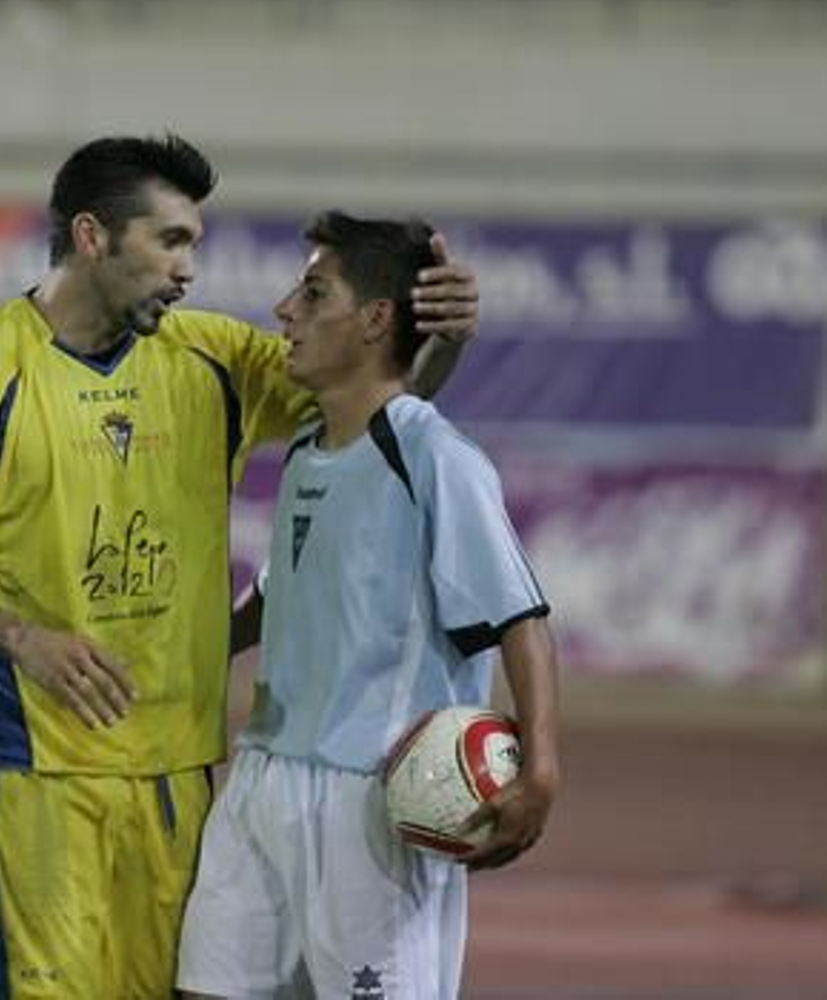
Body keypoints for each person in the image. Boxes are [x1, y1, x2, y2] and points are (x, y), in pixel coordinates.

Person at [0, 135, 479, 998]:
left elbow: (377, 403)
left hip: (179, 777)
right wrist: (19, 637)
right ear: (94, 236)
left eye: (195, 246)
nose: (189, 269)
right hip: (35, 776)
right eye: (171, 241)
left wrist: (445, 335)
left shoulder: (213, 360)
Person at [175, 214, 560, 1000]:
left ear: (377, 318)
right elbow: (285, 593)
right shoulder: (308, 451)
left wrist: (542, 770)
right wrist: (177, 650)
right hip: (261, 779)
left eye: (314, 292)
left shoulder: (433, 456)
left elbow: (520, 616)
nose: (286, 309)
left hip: (373, 801)